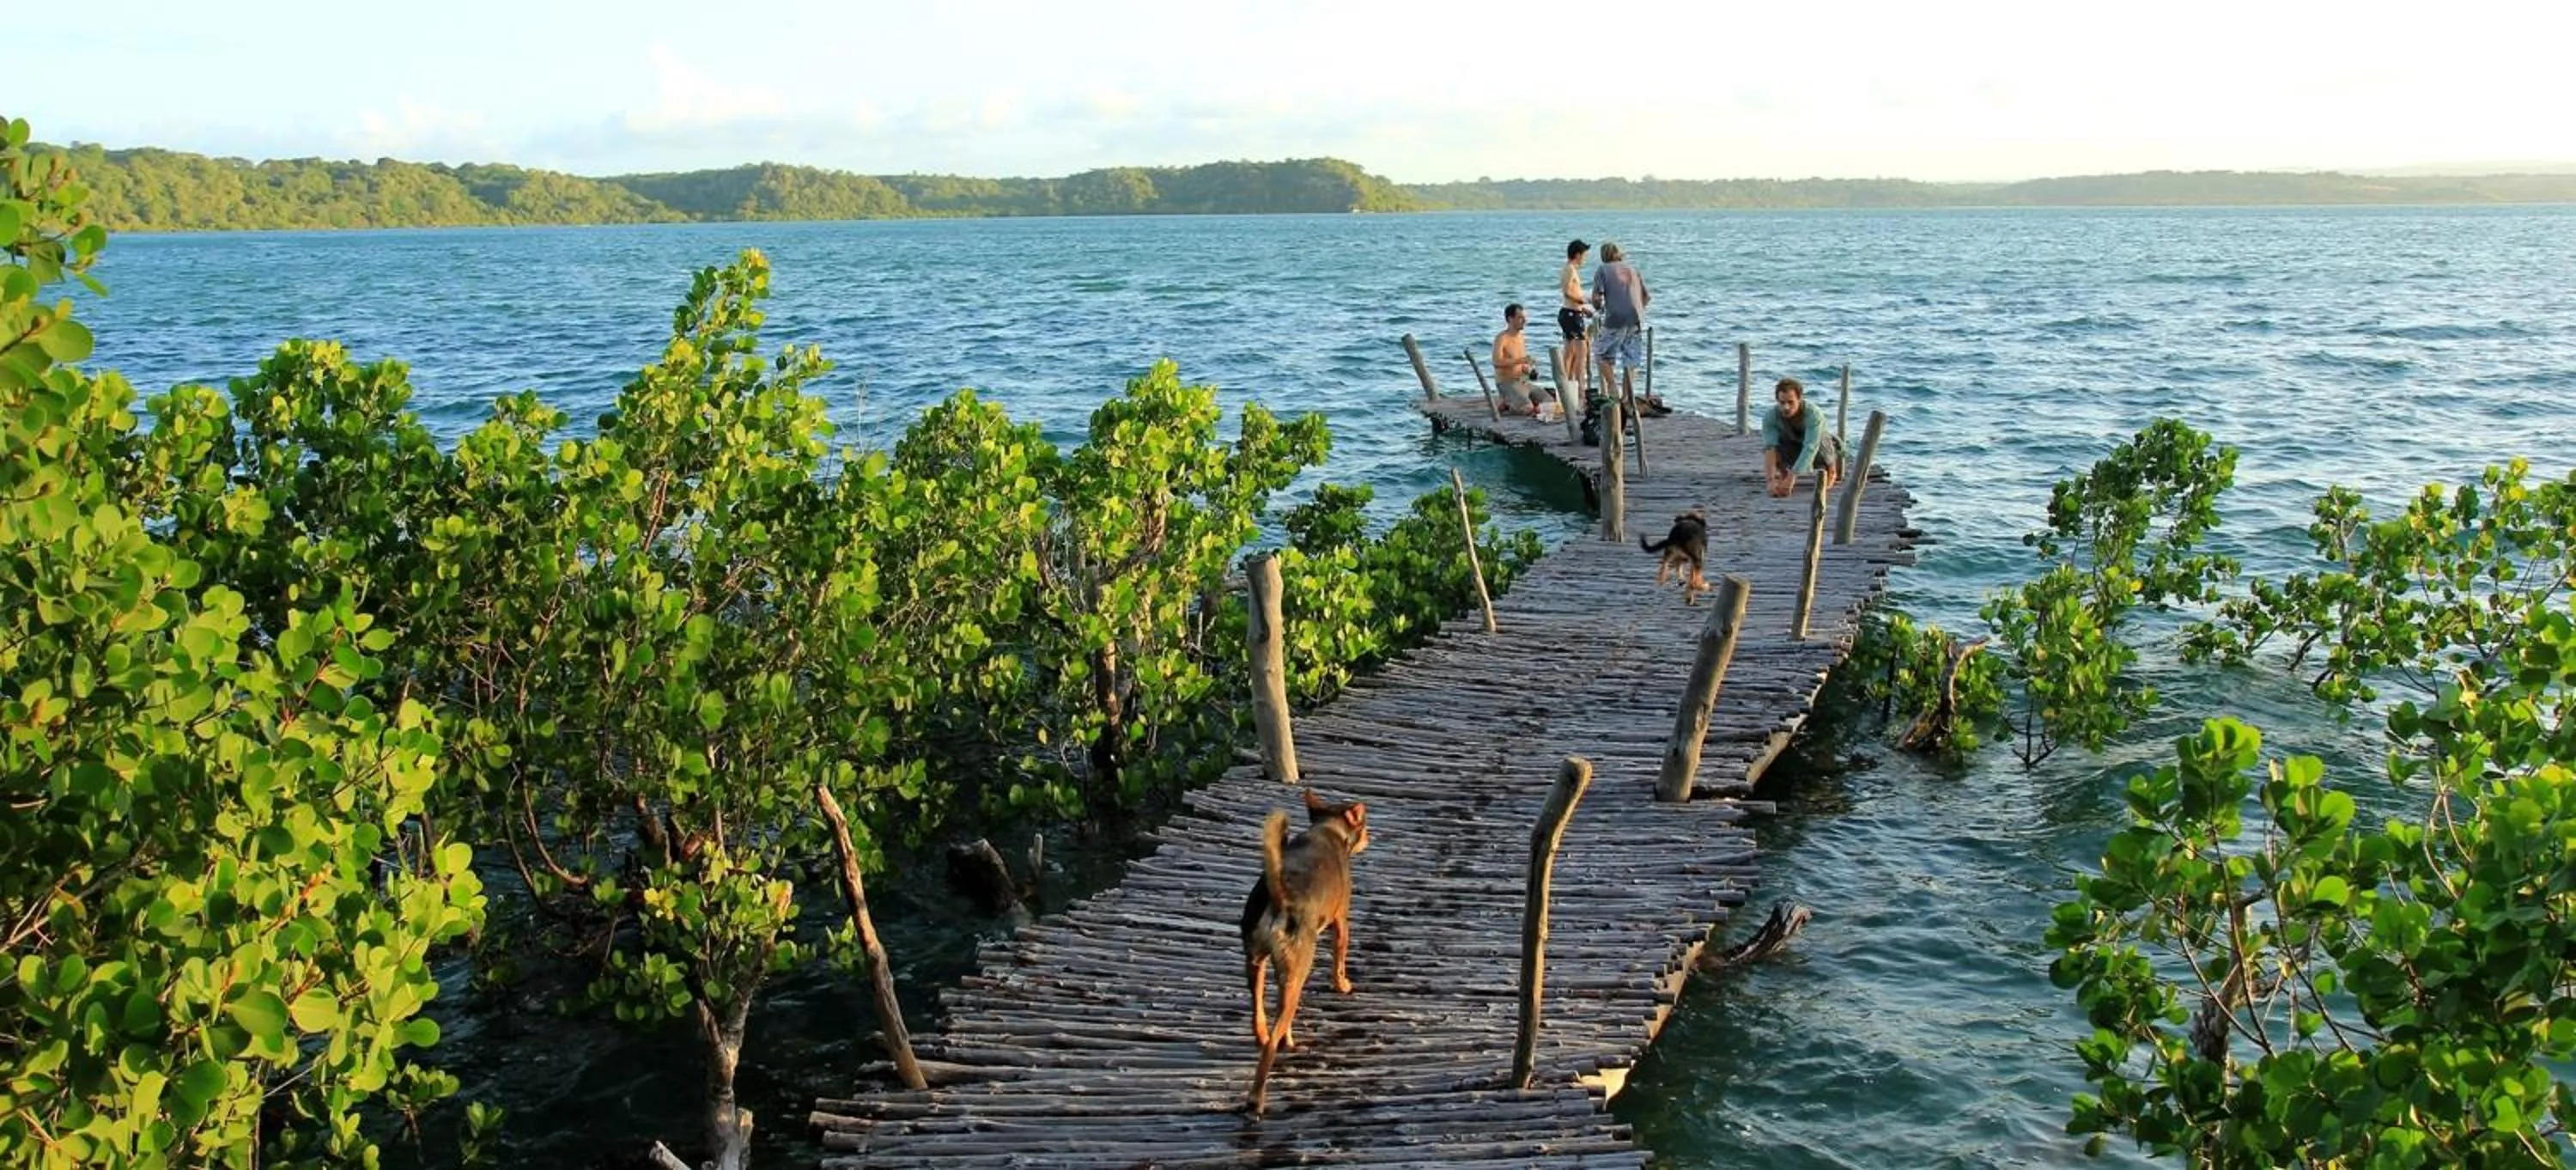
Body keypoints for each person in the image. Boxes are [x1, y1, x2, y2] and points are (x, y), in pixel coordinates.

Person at [1589, 242, 1649, 412]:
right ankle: (1627, 397)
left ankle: (1613, 389)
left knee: (1601, 353)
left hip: (1615, 317)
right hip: (1636, 318)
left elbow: (1597, 297)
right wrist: (1637, 310)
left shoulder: (1603, 269)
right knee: (1631, 357)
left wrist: (1598, 308)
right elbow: (1647, 297)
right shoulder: (1633, 269)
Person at [1762, 377, 1843, 497]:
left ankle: (1832, 471)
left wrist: (1792, 478)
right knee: (1773, 445)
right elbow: (1770, 448)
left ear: (1799, 399)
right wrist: (1770, 481)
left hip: (1817, 446)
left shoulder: (1813, 414)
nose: (1786, 408)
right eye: (1782, 403)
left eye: (1790, 402)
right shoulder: (1771, 416)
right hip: (1792, 442)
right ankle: (1783, 473)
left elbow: (1810, 447)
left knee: (1822, 438)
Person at [1491, 302, 1551, 416]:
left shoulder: (1521, 337)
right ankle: (1510, 404)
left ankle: (1511, 403)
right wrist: (1520, 360)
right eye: (1520, 318)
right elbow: (1496, 362)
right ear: (1510, 319)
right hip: (1507, 383)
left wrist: (1529, 371)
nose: (1524, 321)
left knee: (1550, 403)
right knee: (1528, 409)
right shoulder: (1501, 338)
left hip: (1522, 382)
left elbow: (1521, 365)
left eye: (1524, 318)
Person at [1556, 239, 1592, 401]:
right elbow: (1567, 292)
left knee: (1569, 353)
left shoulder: (1568, 269)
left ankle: (1567, 390)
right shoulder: (1570, 270)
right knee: (1580, 353)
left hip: (1571, 312)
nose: (1584, 259)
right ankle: (1580, 391)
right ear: (1578, 254)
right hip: (1571, 315)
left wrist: (1581, 308)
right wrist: (1584, 301)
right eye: (1584, 255)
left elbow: (1569, 295)